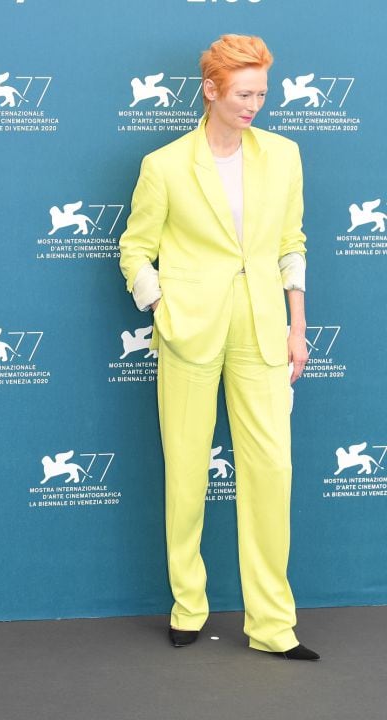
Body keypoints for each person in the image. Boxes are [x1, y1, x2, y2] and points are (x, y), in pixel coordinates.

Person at [118, 35, 319, 660]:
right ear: (210, 90)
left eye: (262, 92)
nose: (254, 104)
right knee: (185, 469)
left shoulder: (284, 156)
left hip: (264, 329)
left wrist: (298, 326)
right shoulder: (166, 165)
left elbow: (292, 244)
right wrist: (160, 305)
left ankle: (272, 627)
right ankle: (188, 606)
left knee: (272, 474)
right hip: (189, 333)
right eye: (243, 93)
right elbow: (133, 248)